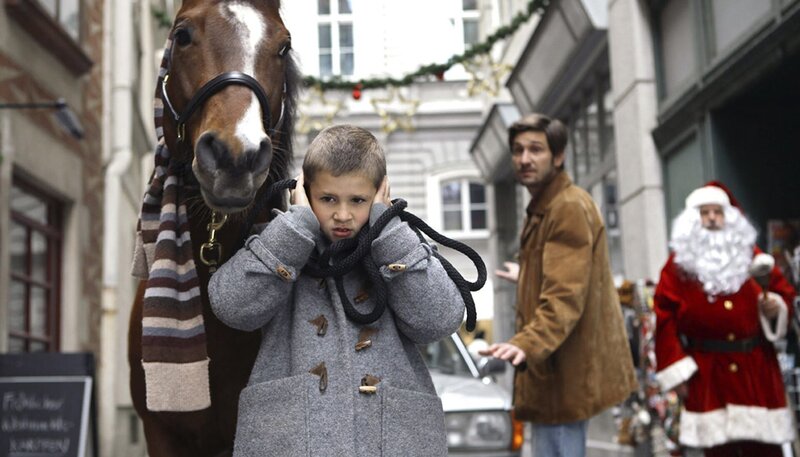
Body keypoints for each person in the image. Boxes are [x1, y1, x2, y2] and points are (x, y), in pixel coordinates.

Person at [208, 124, 464, 457]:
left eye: (358, 200)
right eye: (328, 199)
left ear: (380, 194)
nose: (342, 215)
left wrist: (389, 232)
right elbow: (230, 306)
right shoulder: (282, 242)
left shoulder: (397, 245)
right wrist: (294, 228)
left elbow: (441, 320)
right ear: (304, 191)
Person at [481, 113, 638, 457]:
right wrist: (528, 276)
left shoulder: (566, 207)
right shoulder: (549, 206)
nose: (524, 159)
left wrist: (527, 342)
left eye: (535, 149)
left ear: (558, 156)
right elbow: (569, 274)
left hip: (563, 378)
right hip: (555, 376)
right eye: (518, 150)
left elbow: (565, 296)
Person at [654, 182, 797, 456]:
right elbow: (664, 318)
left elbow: (784, 294)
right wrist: (677, 370)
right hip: (708, 373)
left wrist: (775, 308)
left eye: (717, 212)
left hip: (756, 369)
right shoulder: (677, 267)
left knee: (765, 449)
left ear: (728, 217)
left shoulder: (753, 257)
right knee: (719, 450)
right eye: (704, 212)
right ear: (692, 220)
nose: (711, 218)